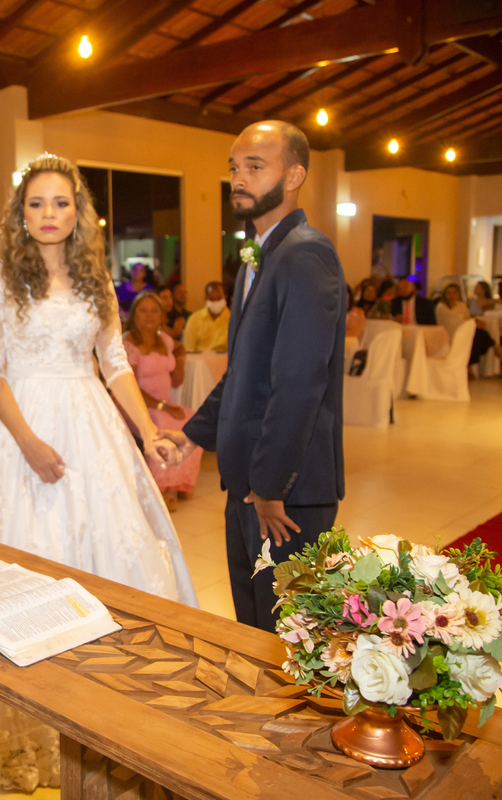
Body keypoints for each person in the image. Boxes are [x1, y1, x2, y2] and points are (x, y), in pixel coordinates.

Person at [0, 153, 195, 792]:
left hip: (92, 422)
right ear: (21, 213)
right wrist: (28, 441)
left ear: (79, 211)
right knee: (25, 577)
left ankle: (110, 722)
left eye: (61, 203)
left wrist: (148, 433)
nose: (49, 215)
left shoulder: (97, 272)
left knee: (108, 563)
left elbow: (115, 360)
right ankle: (32, 729)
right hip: (20, 427)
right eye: (37, 204)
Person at [170, 120, 347, 634]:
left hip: (285, 493)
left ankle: (287, 718)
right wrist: (191, 436)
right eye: (233, 167)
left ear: (294, 175)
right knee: (252, 628)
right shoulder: (258, 256)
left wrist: (271, 488)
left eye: (254, 166)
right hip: (250, 484)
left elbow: (299, 384)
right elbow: (244, 371)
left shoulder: (305, 255)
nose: (238, 178)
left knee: (286, 636)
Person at [123, 291, 201, 511]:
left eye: (155, 310)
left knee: (193, 422)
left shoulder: (164, 339)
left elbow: (179, 346)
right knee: (163, 424)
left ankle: (178, 483)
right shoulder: (128, 342)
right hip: (135, 404)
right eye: (143, 310)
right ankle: (159, 490)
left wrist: (181, 362)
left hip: (163, 402)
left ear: (161, 316)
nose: (149, 315)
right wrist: (163, 406)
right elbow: (131, 386)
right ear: (134, 315)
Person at [182, 281, 230, 353]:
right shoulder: (194, 319)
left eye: (219, 298)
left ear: (225, 297)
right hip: (200, 361)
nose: (215, 302)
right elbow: (189, 349)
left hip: (225, 361)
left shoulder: (232, 319)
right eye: (212, 299)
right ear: (206, 298)